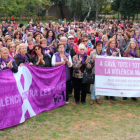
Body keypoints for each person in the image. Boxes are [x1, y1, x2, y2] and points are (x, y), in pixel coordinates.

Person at [89, 41, 103, 105]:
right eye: (98, 46)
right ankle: (92, 98)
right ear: (96, 46)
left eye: (101, 46)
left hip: (102, 71)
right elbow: (90, 62)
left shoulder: (104, 53)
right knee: (95, 85)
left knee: (99, 85)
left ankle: (98, 97)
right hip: (95, 71)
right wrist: (92, 59)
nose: (99, 47)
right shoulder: (92, 53)